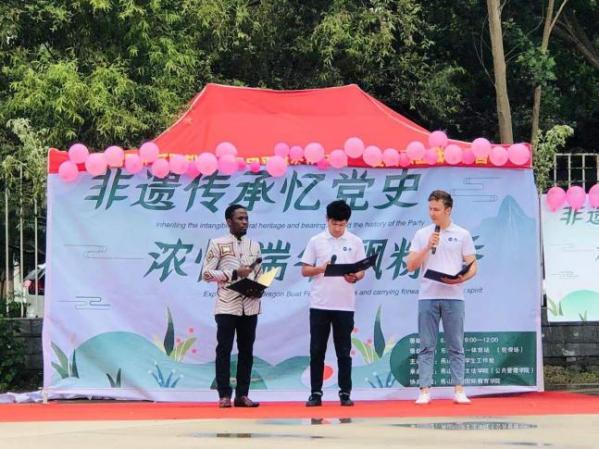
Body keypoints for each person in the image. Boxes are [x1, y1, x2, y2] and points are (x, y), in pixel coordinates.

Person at [407, 190, 477, 405]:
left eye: (436, 209)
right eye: (430, 209)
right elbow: (411, 266)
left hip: (454, 297)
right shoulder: (422, 234)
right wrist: (427, 246)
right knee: (426, 345)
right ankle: (424, 390)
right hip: (427, 296)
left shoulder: (462, 234)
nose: (432, 213)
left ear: (448, 210)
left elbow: (473, 266)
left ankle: (459, 389)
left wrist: (460, 279)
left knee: (455, 345)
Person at [301, 200, 367, 407]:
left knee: (344, 351)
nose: (338, 228)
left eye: (342, 224)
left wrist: (355, 276)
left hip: (344, 305)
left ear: (347, 222)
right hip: (320, 304)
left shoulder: (356, 241)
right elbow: (304, 270)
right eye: (334, 224)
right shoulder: (316, 241)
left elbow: (361, 271)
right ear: (327, 220)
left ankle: (345, 393)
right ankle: (315, 393)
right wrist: (320, 269)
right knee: (317, 350)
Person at [202, 204, 262, 408]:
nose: (244, 222)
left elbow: (258, 274)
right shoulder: (217, 243)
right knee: (224, 350)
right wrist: (234, 273)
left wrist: (259, 287)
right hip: (227, 305)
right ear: (229, 221)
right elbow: (206, 274)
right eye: (240, 218)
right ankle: (224, 395)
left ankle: (242, 395)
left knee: (247, 351)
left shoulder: (254, 245)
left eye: (246, 218)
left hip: (250, 306)